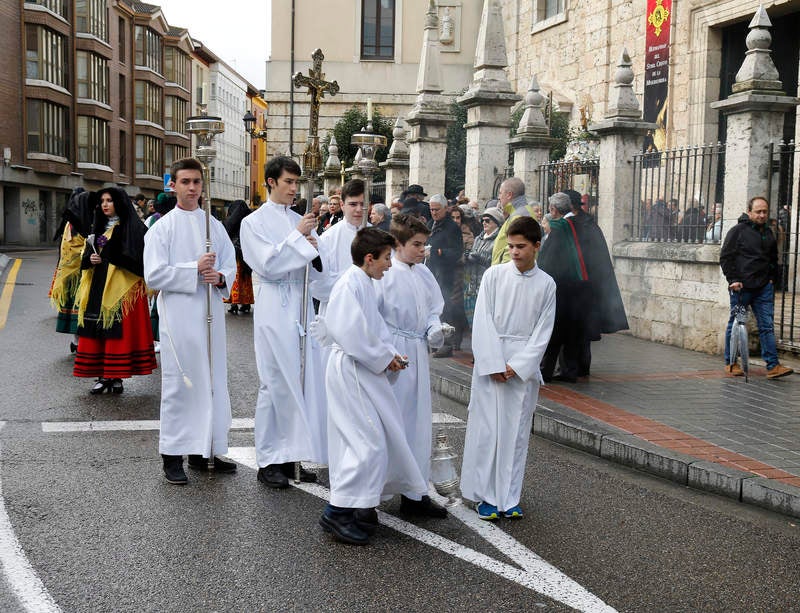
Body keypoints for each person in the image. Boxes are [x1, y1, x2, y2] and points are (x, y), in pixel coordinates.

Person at [315, 227, 428, 545]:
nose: (390, 265)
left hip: (363, 368)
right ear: (369, 258)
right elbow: (351, 333)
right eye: (387, 258)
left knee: (371, 439)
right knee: (368, 442)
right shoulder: (351, 283)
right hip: (351, 370)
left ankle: (361, 505)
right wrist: (383, 356)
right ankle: (336, 512)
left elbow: (374, 329)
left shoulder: (364, 282)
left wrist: (391, 354)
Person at [143, 158, 237, 484]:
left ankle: (203, 449)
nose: (193, 188)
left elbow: (229, 264)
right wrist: (193, 268)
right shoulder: (162, 228)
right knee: (180, 385)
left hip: (210, 312)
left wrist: (220, 276)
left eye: (197, 182)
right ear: (173, 185)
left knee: (211, 381)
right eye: (186, 182)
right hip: (180, 314)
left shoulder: (214, 225)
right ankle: (172, 455)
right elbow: (153, 275)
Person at [240, 156, 327, 488]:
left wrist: (314, 246)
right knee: (275, 380)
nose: (294, 189)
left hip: (301, 303)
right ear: (271, 182)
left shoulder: (298, 219)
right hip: (275, 302)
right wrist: (298, 237)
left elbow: (315, 265)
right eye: (289, 182)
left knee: (302, 378)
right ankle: (270, 459)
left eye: (297, 182)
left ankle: (294, 454)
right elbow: (268, 263)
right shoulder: (253, 223)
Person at [460, 217, 556, 520]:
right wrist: (493, 362)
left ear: (536, 246)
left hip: (521, 366)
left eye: (521, 247)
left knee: (515, 433)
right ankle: (485, 495)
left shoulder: (547, 284)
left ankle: (509, 496)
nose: (514, 252)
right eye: (511, 246)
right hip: (493, 360)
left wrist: (517, 366)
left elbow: (544, 331)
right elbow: (482, 320)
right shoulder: (494, 276)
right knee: (489, 429)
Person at [374, 214, 448, 519]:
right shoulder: (386, 274)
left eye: (424, 244)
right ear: (398, 244)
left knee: (418, 422)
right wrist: (385, 350)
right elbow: (375, 315)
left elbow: (434, 307)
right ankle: (376, 491)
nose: (422, 250)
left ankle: (415, 492)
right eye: (416, 244)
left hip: (417, 350)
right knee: (395, 421)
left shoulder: (424, 274)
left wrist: (434, 328)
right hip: (396, 353)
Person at [537, 191, 628, 382]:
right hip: (585, 288)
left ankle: (560, 369)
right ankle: (575, 368)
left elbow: (550, 259)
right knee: (577, 331)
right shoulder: (587, 224)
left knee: (559, 332)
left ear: (554, 209)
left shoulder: (563, 227)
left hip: (567, 288)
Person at [73, 187, 157, 394]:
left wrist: (111, 257)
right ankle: (102, 375)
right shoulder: (98, 228)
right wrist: (89, 260)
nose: (105, 204)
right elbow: (86, 257)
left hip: (123, 291)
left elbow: (142, 263)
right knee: (98, 332)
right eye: (102, 200)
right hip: (99, 287)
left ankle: (115, 376)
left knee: (117, 335)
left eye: (109, 200)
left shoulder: (135, 229)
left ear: (118, 203)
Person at [720, 196, 793, 379]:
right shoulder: (737, 231)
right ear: (749, 212)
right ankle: (731, 363)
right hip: (741, 288)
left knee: (767, 326)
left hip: (763, 288)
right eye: (758, 211)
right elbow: (726, 257)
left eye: (765, 212)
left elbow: (773, 258)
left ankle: (773, 366)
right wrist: (733, 280)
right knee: (737, 325)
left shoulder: (768, 232)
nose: (762, 215)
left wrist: (771, 279)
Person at [310, 179, 368, 316]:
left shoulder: (378, 237)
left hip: (368, 310)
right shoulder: (328, 238)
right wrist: (353, 282)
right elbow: (317, 283)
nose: (359, 209)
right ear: (342, 205)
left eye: (363, 204)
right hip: (337, 310)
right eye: (353, 204)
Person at [50, 189, 93, 353]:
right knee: (81, 309)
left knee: (76, 309)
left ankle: (76, 342)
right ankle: (80, 342)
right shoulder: (84, 222)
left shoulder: (70, 221)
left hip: (69, 271)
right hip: (82, 274)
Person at [426, 194, 465, 357]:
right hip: (432, 270)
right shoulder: (431, 223)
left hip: (446, 272)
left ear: (445, 208)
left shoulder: (451, 227)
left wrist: (437, 252)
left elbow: (456, 251)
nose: (433, 213)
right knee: (433, 306)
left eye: (436, 209)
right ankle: (435, 340)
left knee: (446, 307)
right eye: (431, 210)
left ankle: (448, 344)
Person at [465, 207, 504, 325]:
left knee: (487, 320)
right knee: (474, 320)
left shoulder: (499, 239)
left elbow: (494, 260)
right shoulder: (478, 238)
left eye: (488, 220)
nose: (484, 223)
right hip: (472, 283)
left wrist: (477, 256)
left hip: (487, 283)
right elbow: (472, 255)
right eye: (483, 220)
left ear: (496, 222)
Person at [491, 177, 538, 265]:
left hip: (509, 274)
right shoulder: (518, 213)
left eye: (500, 193)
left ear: (509, 195)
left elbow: (516, 252)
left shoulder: (520, 216)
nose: (499, 197)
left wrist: (503, 273)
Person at [223, 200, 255, 315]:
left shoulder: (232, 221)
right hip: (246, 253)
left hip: (234, 253)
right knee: (245, 278)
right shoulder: (250, 219)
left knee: (235, 277)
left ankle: (234, 302)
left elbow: (226, 232)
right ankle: (246, 302)